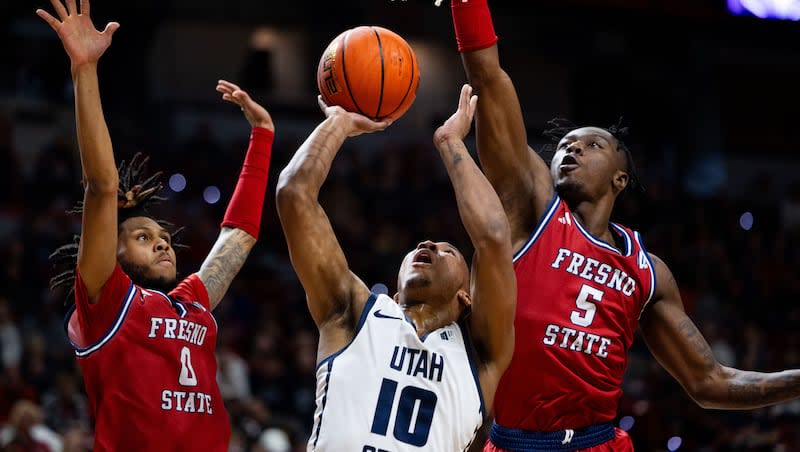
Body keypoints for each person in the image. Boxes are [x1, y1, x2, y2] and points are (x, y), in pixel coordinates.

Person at [443, 1, 800, 450]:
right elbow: (489, 78)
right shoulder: (532, 208)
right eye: (564, 146)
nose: (570, 150)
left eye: (591, 145)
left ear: (620, 178)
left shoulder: (647, 271)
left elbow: (710, 382)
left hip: (597, 442)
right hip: (513, 440)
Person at [38, 0, 275, 450]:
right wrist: (84, 70)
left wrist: (262, 138)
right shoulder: (108, 302)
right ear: (116, 253)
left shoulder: (193, 303)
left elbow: (238, 238)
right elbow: (103, 187)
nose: (163, 245)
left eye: (164, 238)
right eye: (144, 238)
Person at [276, 84, 516, 451]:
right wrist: (338, 123)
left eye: (448, 250)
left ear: (467, 297)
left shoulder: (480, 356)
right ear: (396, 288)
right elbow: (294, 194)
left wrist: (451, 141)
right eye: (421, 246)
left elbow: (495, 238)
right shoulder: (354, 314)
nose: (427, 245)